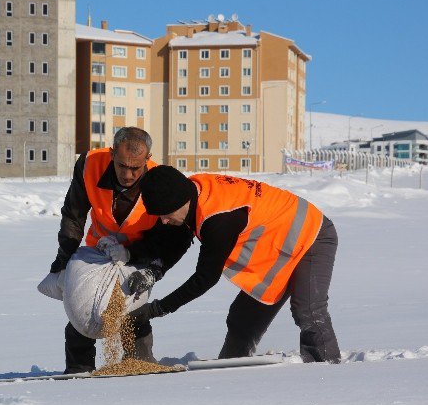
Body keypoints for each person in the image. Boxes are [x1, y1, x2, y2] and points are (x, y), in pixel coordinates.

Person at [131, 166, 341, 363]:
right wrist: (145, 263)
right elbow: (174, 242)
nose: (164, 221)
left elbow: (205, 278)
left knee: (308, 309)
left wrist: (157, 309)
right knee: (242, 317)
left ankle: (327, 373)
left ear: (180, 201)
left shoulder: (218, 220)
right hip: (279, 247)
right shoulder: (194, 192)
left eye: (166, 215)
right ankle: (232, 373)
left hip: (312, 234)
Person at [46, 129, 192, 373]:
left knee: (133, 307)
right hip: (98, 249)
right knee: (85, 306)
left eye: (136, 168)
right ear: (112, 153)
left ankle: (139, 362)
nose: (128, 174)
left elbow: (170, 235)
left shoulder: (159, 181)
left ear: (148, 159)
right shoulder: (89, 164)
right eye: (122, 165)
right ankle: (78, 368)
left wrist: (152, 267)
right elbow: (74, 214)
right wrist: (64, 257)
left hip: (140, 251)